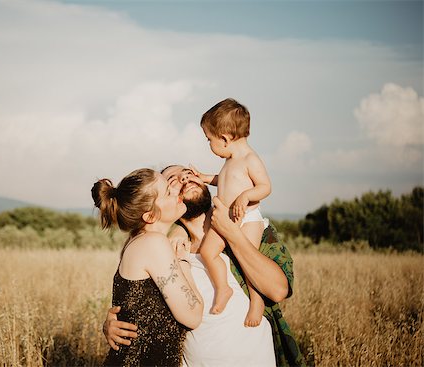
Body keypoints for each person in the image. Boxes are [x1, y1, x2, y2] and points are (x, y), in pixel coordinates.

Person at [103, 165, 307, 367]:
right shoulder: (171, 249)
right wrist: (115, 322)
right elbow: (138, 299)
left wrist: (232, 234)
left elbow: (278, 290)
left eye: (188, 173)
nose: (184, 178)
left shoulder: (251, 229)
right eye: (172, 181)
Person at [92, 168, 204, 367]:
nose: (176, 192)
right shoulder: (154, 244)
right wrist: (183, 262)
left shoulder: (139, 241)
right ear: (150, 216)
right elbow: (193, 316)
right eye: (168, 193)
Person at [195, 98, 271, 325]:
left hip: (247, 219)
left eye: (209, 140)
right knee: (208, 252)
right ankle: (223, 288)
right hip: (227, 219)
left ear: (225, 139)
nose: (209, 145)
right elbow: (225, 181)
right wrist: (206, 178)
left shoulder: (250, 159)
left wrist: (246, 196)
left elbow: (265, 187)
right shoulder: (230, 161)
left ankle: (257, 302)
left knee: (248, 264)